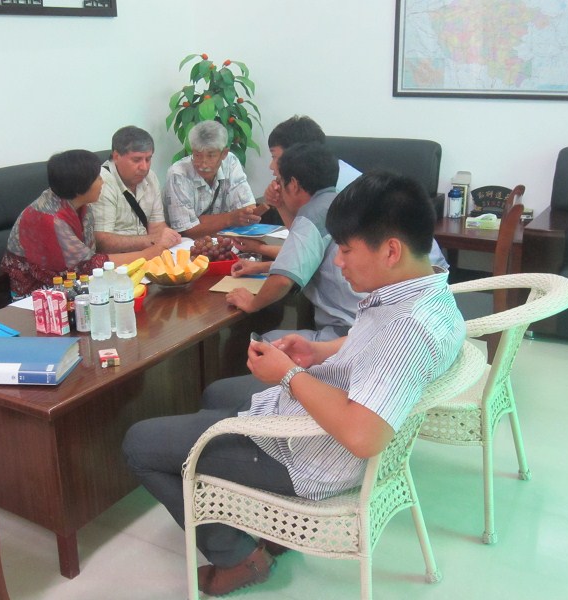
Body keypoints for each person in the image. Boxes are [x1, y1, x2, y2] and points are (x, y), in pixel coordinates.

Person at [123, 171, 465, 597]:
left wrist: (288, 375)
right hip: (322, 414)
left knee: (139, 444)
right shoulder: (426, 292)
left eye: (346, 250)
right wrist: (317, 351)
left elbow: (363, 435)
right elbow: (370, 346)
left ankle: (238, 557)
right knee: (216, 393)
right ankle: (253, 516)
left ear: (391, 250)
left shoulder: (406, 331)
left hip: (311, 456)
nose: (338, 262)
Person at [233, 115, 447, 270]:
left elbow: (307, 253)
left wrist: (261, 249)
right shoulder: (326, 174)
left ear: (297, 154)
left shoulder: (336, 190)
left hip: (412, 276)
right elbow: (304, 242)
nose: (272, 166)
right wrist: (281, 204)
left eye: (275, 157)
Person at [226, 142, 356, 342]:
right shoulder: (338, 203)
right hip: (366, 325)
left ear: (293, 184)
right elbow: (307, 258)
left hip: (347, 333)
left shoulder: (312, 216)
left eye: (280, 180)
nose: (277, 186)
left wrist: (252, 303)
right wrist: (262, 267)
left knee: (264, 345)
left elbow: (283, 279)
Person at [0, 149, 166, 297]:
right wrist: (147, 254)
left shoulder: (80, 203)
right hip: (37, 295)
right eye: (98, 178)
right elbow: (87, 265)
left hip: (78, 283)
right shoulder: (50, 219)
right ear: (80, 186)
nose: (103, 182)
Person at [164, 120, 266, 238]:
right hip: (189, 243)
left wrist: (202, 221)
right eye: (197, 155)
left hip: (223, 239)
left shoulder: (231, 162)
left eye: (211, 155)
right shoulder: (178, 174)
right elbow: (187, 230)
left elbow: (248, 210)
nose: (203, 164)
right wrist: (230, 218)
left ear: (224, 153)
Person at [91, 126, 182, 253]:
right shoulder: (101, 182)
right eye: (136, 160)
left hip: (148, 253)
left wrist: (169, 237)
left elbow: (157, 226)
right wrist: (151, 240)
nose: (144, 167)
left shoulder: (150, 177)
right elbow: (102, 242)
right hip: (118, 259)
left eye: (148, 159)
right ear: (116, 156)